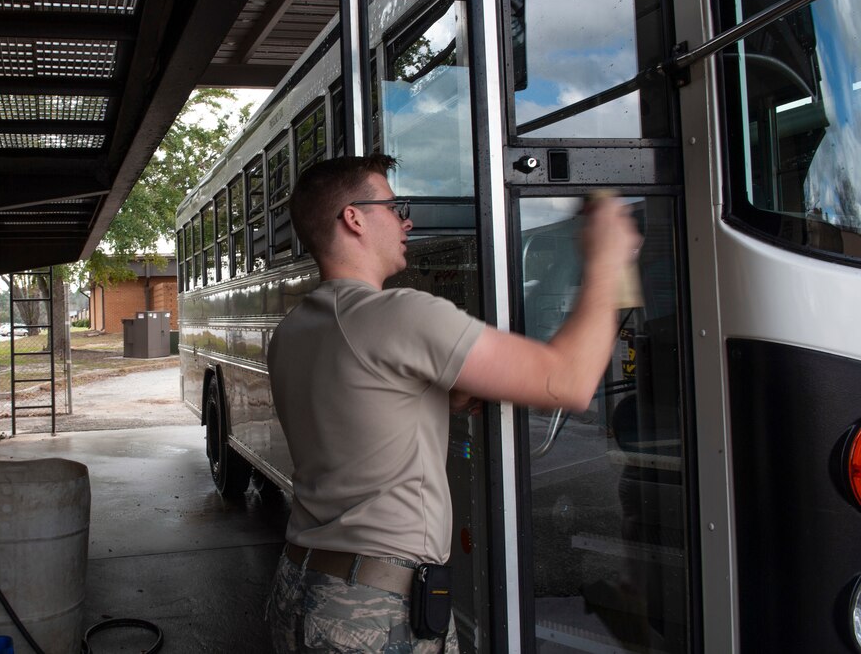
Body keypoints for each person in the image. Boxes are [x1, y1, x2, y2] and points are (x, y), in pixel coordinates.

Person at [265, 154, 641, 653]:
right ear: (353, 218)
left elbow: (359, 409)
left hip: (300, 587)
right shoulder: (398, 314)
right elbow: (568, 380)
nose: (407, 222)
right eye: (393, 208)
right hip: (373, 613)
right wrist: (607, 259)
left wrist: (444, 396)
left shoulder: (293, 329)